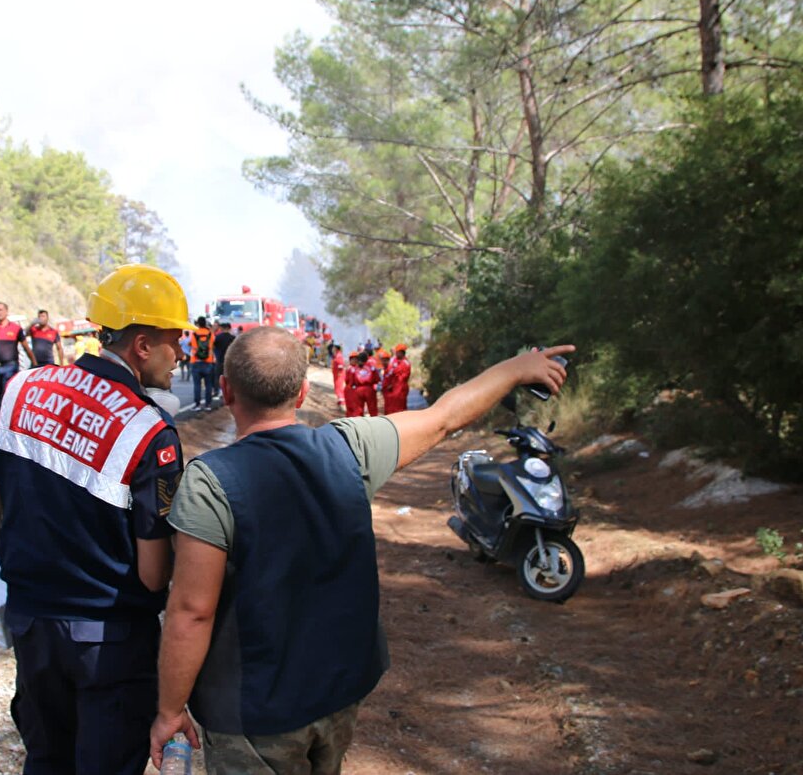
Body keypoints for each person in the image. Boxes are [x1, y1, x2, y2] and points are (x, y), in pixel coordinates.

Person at [149, 327, 572, 772]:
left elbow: (192, 611)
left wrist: (170, 711)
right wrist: (515, 370)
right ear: (302, 391)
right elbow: (445, 416)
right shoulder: (349, 448)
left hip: (256, 713)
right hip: (338, 696)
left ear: (226, 390)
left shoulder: (209, 483)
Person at [0, 263, 195, 775]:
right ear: (143, 345)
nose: (180, 354)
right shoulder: (150, 430)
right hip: (110, 643)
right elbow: (153, 574)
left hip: (30, 624)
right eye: (174, 340)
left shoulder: (22, 389)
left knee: (46, 759)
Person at [190, 316, 217, 411]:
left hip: (196, 362)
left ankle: (197, 405)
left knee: (197, 385)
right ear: (205, 323)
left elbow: (194, 347)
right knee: (208, 385)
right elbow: (212, 346)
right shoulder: (210, 334)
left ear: (198, 323)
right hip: (208, 362)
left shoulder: (194, 334)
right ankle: (208, 405)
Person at [345, 352, 380, 418]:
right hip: (370, 389)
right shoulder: (372, 368)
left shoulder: (354, 368)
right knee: (373, 409)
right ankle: (374, 422)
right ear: (367, 359)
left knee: (358, 410)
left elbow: (350, 382)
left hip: (358, 390)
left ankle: (359, 423)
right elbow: (377, 379)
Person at [383, 344, 412, 415]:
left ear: (402, 353)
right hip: (393, 387)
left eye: (398, 352)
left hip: (401, 387)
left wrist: (393, 382)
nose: (396, 353)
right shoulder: (394, 360)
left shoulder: (406, 363)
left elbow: (403, 377)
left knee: (400, 408)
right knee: (391, 407)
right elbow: (389, 371)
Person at [331, 343, 346, 410]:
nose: (332, 349)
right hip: (337, 374)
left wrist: (339, 373)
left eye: (333, 348)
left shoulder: (338, 356)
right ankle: (340, 401)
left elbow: (340, 365)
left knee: (338, 388)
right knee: (337, 388)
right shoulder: (337, 355)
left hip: (339, 375)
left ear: (336, 348)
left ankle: (342, 403)